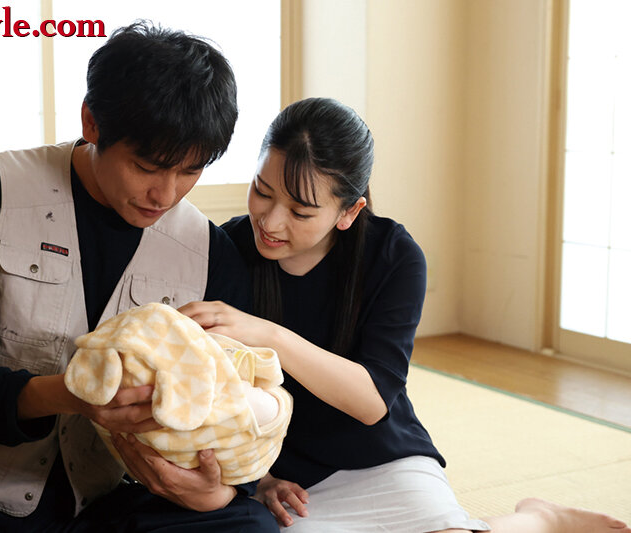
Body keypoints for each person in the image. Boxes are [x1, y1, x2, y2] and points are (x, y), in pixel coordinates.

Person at [0, 21, 278, 532]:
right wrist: (70, 395)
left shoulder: (209, 251)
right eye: (147, 166)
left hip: (109, 502)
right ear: (91, 121)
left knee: (250, 525)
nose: (166, 194)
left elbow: (233, 405)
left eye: (190, 171)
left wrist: (214, 491)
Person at [179, 97, 631, 533]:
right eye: (262, 191)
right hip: (286, 474)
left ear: (349, 212)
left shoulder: (393, 256)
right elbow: (213, 392)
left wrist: (270, 335)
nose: (271, 221)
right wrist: (261, 478)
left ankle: (542, 519)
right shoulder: (226, 250)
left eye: (300, 211)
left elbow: (372, 402)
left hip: (380, 455)